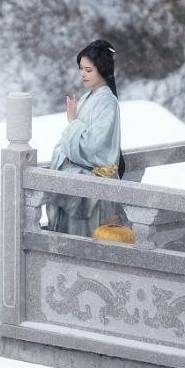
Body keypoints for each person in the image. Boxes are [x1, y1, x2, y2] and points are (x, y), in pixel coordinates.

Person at [46, 39, 124, 236]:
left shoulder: (107, 102)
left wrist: (73, 122)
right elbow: (72, 140)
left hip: (94, 186)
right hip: (81, 182)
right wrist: (65, 151)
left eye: (88, 70)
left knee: (87, 245)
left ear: (102, 70)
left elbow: (94, 146)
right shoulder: (88, 97)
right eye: (81, 68)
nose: (82, 74)